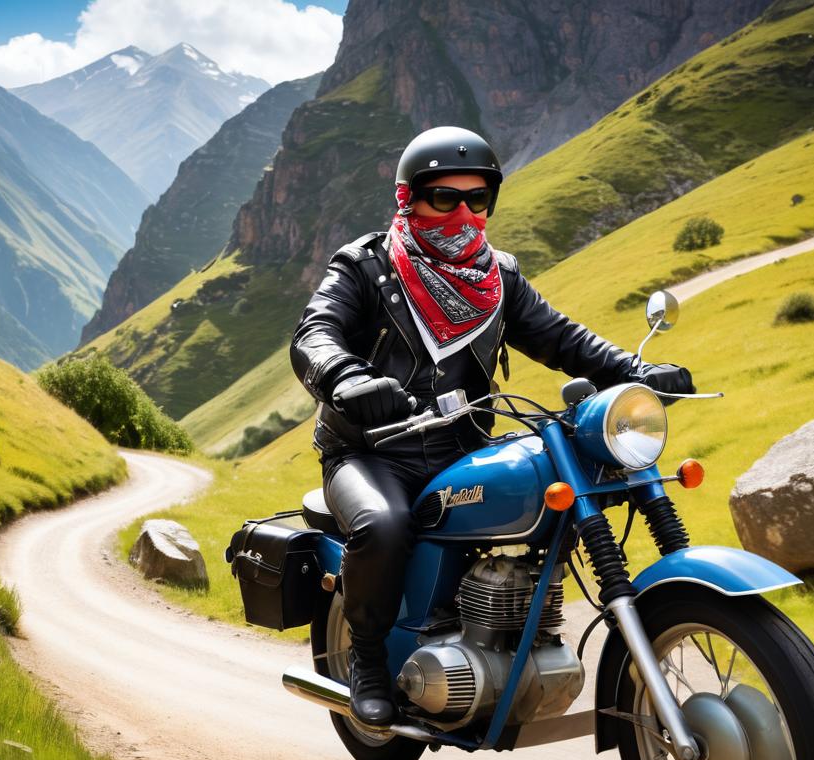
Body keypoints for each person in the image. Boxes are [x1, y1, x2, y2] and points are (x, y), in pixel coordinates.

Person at [291, 126, 694, 727]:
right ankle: (370, 662)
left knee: (546, 492)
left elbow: (561, 339)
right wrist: (347, 379)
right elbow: (314, 333)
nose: (461, 213)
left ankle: (500, 636)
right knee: (385, 524)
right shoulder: (366, 266)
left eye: (476, 200)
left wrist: (636, 371)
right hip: (372, 452)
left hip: (461, 444)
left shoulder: (495, 277)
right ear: (409, 199)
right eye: (443, 199)